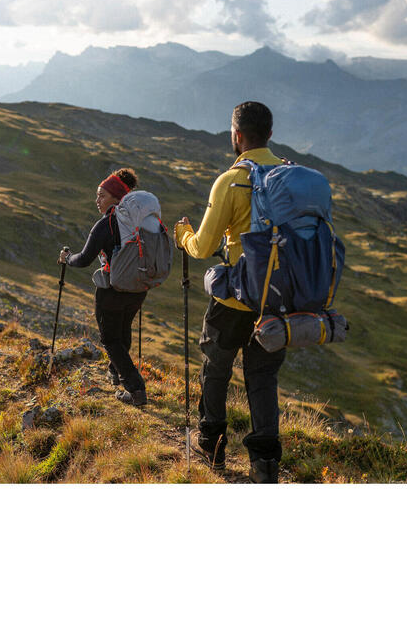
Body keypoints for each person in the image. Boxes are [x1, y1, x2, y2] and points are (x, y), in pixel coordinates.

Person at [174, 101, 287, 484]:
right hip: (275, 300)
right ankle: (266, 465)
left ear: (237, 136)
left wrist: (183, 235)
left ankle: (211, 443)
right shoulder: (290, 177)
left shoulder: (231, 180)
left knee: (217, 368)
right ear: (269, 134)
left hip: (233, 300)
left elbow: (204, 247)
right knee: (262, 378)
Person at [59, 168, 148, 407]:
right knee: (122, 331)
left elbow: (84, 259)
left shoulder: (106, 224)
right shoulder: (140, 221)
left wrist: (67, 258)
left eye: (101, 195)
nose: (97, 200)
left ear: (117, 198)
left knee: (110, 339)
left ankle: (136, 389)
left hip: (111, 289)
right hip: (139, 288)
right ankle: (116, 372)